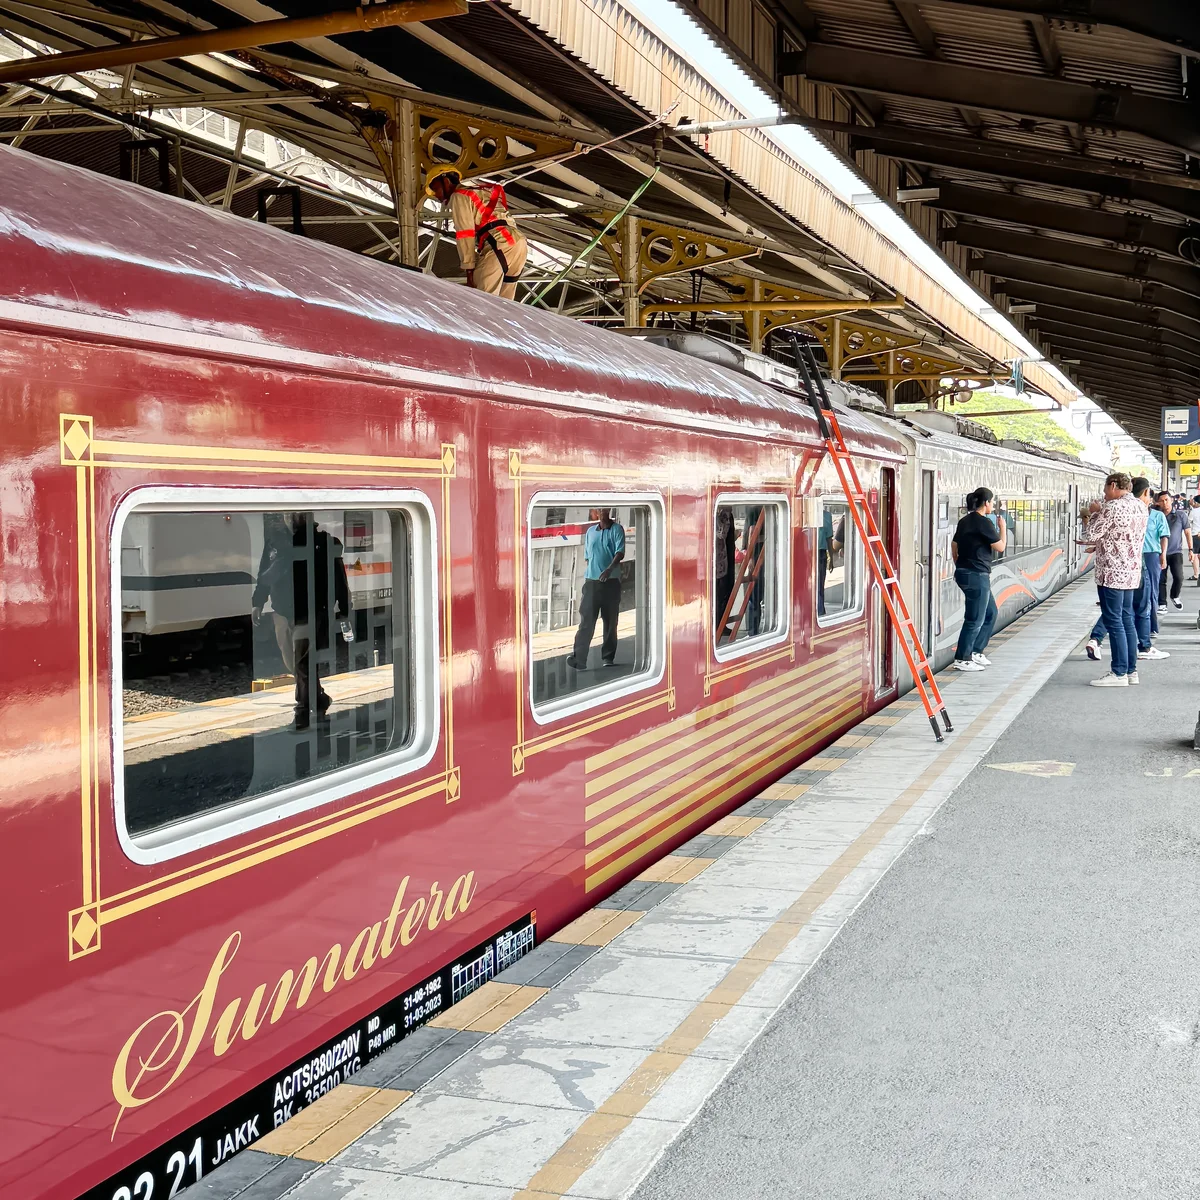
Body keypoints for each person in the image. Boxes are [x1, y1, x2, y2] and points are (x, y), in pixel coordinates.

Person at [251, 512, 350, 729]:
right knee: (293, 663)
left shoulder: (324, 543)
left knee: (302, 662)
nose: (293, 518)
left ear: (308, 517)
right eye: (289, 514)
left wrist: (344, 610)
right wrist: (258, 601)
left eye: (298, 515)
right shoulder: (275, 542)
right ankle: (320, 699)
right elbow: (264, 574)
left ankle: (302, 713)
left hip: (312, 612)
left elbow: (338, 577)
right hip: (282, 612)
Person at [1079, 472, 1146, 687]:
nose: (1104, 493)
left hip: (1112, 573)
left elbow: (1090, 534)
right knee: (1127, 619)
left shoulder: (1112, 507)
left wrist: (1093, 514)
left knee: (1113, 621)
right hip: (1131, 572)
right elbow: (1122, 537)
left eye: (1106, 488)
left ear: (1114, 485)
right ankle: (1131, 671)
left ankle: (1118, 673)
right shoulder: (1140, 506)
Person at [426, 166, 528, 299]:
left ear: (446, 182)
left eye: (435, 189)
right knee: (505, 305)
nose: (437, 196)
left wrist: (469, 271)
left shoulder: (459, 196)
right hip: (518, 243)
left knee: (482, 300)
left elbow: (465, 234)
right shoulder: (481, 191)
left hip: (499, 244)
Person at [950, 487, 1006, 671]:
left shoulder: (965, 521)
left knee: (990, 613)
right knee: (975, 618)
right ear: (987, 503)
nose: (992, 505)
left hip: (965, 573)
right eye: (992, 502)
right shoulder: (984, 523)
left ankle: (976, 652)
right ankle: (963, 658)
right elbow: (1000, 547)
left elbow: (954, 545)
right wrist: (1003, 528)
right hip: (977, 575)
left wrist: (959, 564)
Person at [567, 507, 625, 670]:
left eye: (605, 509)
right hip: (592, 583)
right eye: (600, 509)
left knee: (610, 621)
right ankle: (579, 659)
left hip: (611, 583)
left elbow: (620, 553)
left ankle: (608, 657)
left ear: (609, 511)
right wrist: (594, 573)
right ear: (596, 513)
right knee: (586, 621)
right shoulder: (591, 532)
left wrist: (608, 570)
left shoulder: (617, 530)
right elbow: (588, 556)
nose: (602, 512)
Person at [1132, 478, 1170, 662]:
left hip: (1151, 556)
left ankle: (1150, 628)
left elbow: (1164, 536)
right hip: (1135, 556)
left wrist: (1163, 555)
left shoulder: (1157, 516)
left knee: (1151, 593)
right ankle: (1143, 640)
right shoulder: (1133, 512)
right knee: (1139, 598)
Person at [1156, 491, 1187, 611]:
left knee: (1179, 577)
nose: (1164, 503)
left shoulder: (1180, 515)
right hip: (1159, 551)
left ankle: (1175, 595)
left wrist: (1190, 549)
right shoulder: (1156, 515)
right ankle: (1162, 604)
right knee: (1161, 579)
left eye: (1166, 500)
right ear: (1158, 502)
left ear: (1172, 500)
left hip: (1176, 551)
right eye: (1162, 500)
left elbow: (1187, 532)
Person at [713, 506, 737, 639]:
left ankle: (720, 624)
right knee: (721, 593)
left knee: (721, 593)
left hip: (722, 559)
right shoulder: (724, 513)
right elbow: (721, 533)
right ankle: (718, 625)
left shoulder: (723, 513)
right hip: (720, 561)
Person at [1188, 496, 1200, 581]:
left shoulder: (1194, 511)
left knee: (1195, 555)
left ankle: (1196, 574)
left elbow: (1188, 522)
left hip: (1195, 535)